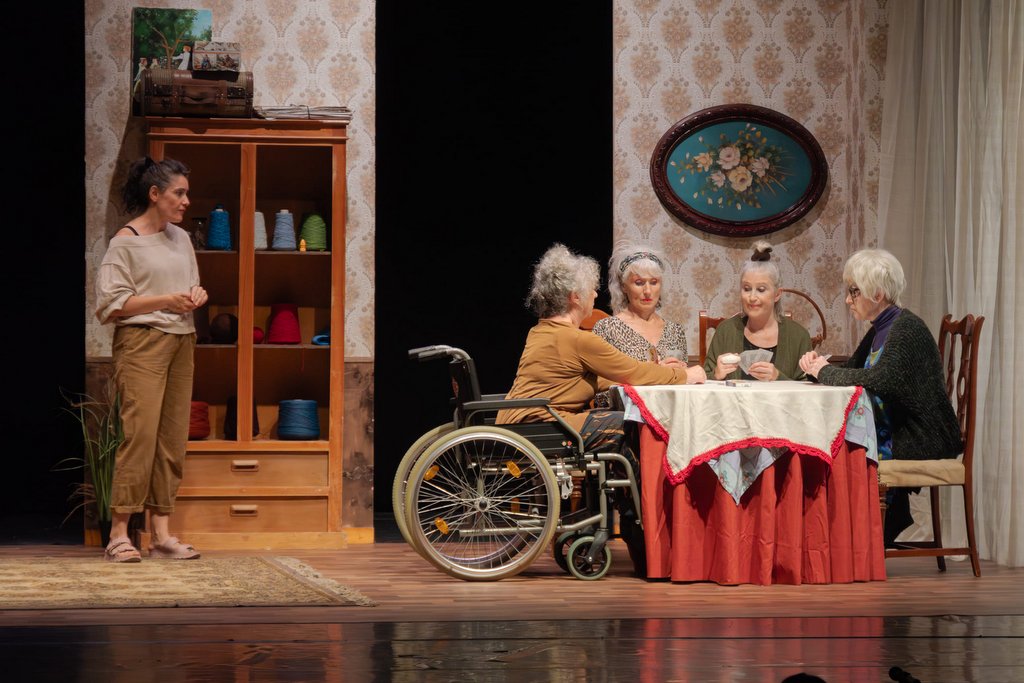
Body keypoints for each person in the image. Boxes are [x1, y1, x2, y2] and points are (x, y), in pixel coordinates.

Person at [497, 243, 702, 576]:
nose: (595, 294)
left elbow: (598, 378)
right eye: (590, 289)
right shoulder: (579, 339)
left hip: (529, 420)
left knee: (620, 422)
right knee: (632, 426)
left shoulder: (542, 331)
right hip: (545, 425)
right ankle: (643, 535)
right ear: (575, 297)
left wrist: (654, 371)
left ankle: (634, 532)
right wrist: (685, 375)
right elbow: (632, 372)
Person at [798, 248, 962, 545]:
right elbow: (852, 369)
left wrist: (824, 372)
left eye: (854, 291)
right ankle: (847, 540)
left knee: (836, 448)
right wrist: (815, 368)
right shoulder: (881, 329)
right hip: (897, 431)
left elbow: (880, 380)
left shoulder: (907, 329)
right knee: (831, 443)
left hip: (923, 437)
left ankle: (855, 541)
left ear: (877, 294)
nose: (848, 300)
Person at [94, 157, 208, 562]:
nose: (186, 201)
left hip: (182, 340)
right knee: (139, 436)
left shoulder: (181, 238)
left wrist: (195, 295)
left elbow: (189, 285)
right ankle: (119, 534)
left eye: (187, 193)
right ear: (155, 194)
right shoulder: (124, 243)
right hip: (142, 342)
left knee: (171, 438)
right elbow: (111, 305)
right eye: (179, 193)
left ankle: (160, 533)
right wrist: (165, 301)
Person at [592, 243, 706, 384]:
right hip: (627, 399)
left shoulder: (675, 331)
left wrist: (681, 372)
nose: (647, 291)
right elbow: (599, 385)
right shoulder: (607, 328)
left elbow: (682, 381)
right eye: (639, 283)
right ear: (624, 286)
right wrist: (658, 374)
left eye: (653, 282)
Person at [704, 240, 812, 381]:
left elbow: (808, 389)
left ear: (777, 294)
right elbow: (705, 379)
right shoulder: (726, 330)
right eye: (747, 289)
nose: (752, 297)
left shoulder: (799, 336)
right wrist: (716, 374)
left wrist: (777, 377)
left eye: (761, 289)